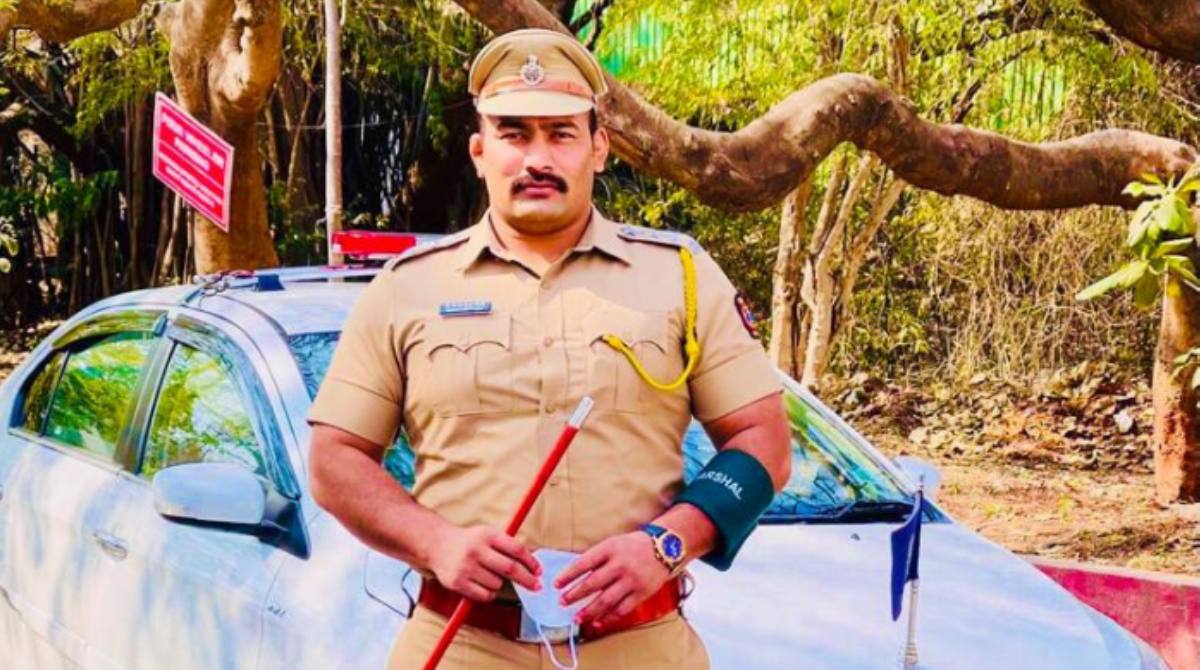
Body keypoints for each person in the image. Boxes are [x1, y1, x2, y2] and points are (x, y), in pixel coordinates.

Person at [306, 27, 792, 670]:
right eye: (514, 134)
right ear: (479, 152)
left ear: (599, 148)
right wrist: (436, 543)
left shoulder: (680, 276)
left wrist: (666, 545)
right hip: (462, 643)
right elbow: (335, 458)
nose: (537, 158)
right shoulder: (408, 289)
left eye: (561, 134)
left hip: (639, 647)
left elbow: (763, 442)